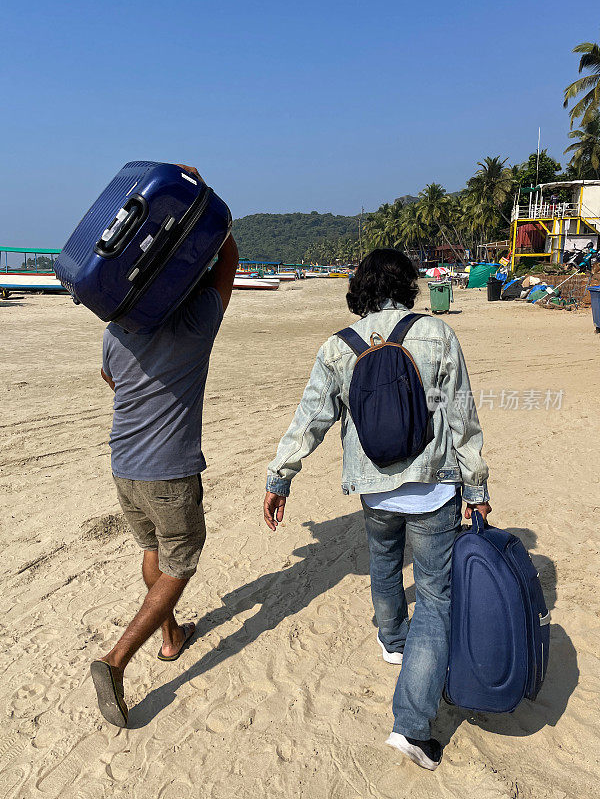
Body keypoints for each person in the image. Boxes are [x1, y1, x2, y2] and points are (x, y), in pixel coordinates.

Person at [263, 248, 490, 771]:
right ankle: (412, 726)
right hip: (434, 487)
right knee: (436, 598)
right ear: (408, 285)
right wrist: (476, 488)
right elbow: (463, 419)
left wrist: (281, 476)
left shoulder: (338, 348)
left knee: (384, 561)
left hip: (374, 489)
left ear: (360, 289)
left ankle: (392, 642)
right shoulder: (436, 336)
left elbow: (311, 419)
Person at [91, 166, 239, 728]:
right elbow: (228, 257)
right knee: (181, 558)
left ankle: (171, 635)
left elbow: (110, 381)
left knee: (151, 548)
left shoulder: (115, 331)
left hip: (123, 465)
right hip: (169, 470)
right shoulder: (197, 323)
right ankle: (114, 659)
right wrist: (202, 198)